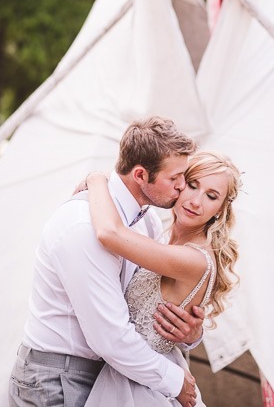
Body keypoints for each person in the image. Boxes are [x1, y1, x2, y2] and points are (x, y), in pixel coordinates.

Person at [9, 117, 204, 407]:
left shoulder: (146, 220)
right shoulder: (82, 226)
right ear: (140, 175)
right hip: (56, 380)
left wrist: (190, 333)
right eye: (173, 178)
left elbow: (149, 306)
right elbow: (109, 336)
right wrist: (173, 380)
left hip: (110, 374)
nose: (181, 188)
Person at [78, 149, 241, 407]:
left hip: (142, 388)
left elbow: (109, 233)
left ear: (220, 210)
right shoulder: (159, 232)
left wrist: (97, 179)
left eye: (211, 196)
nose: (196, 201)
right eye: (192, 185)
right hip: (132, 373)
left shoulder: (193, 259)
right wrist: (191, 335)